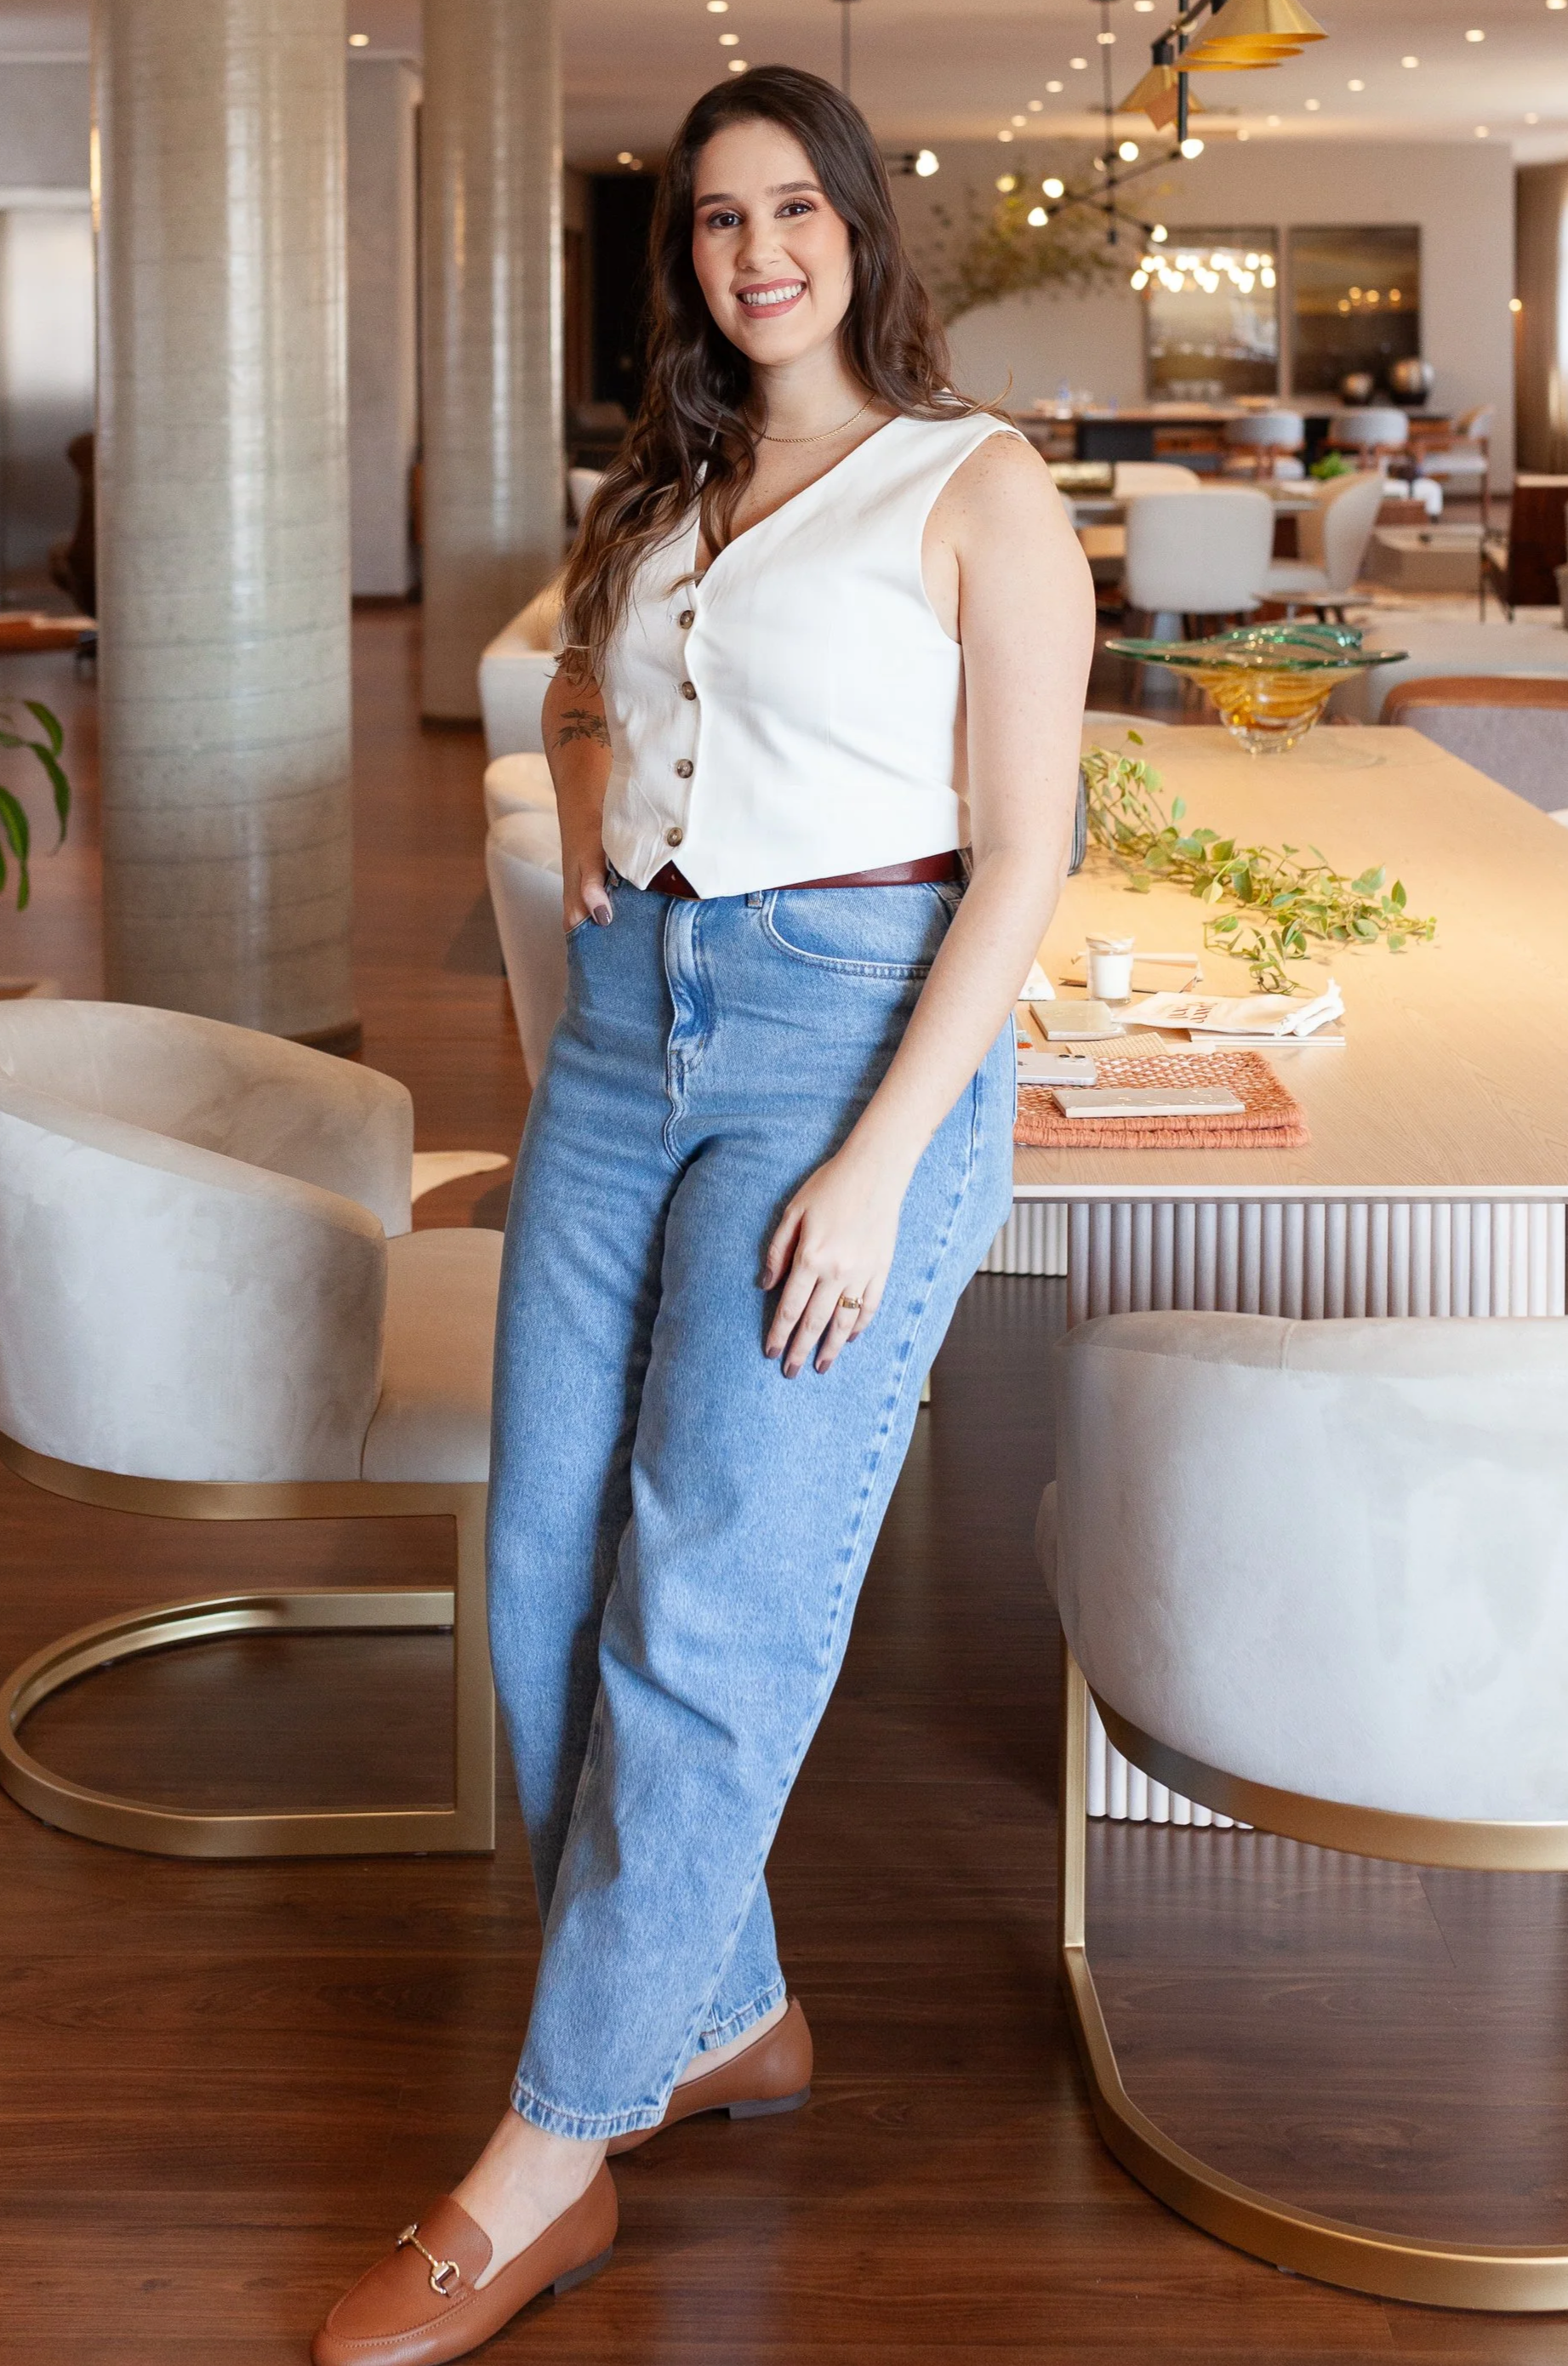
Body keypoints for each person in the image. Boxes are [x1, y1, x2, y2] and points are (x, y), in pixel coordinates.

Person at [313, 61, 1092, 2366]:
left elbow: (1024, 857)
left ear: (859, 228)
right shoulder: (657, 489)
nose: (755, 251)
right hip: (630, 1042)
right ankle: (718, 2002)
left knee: (708, 1603)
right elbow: (565, 702)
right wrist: (584, 952)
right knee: (544, 1556)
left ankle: (546, 2158)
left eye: (791, 209)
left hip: (846, 1049)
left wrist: (870, 1160)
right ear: (685, 263)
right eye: (715, 221)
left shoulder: (977, 488)